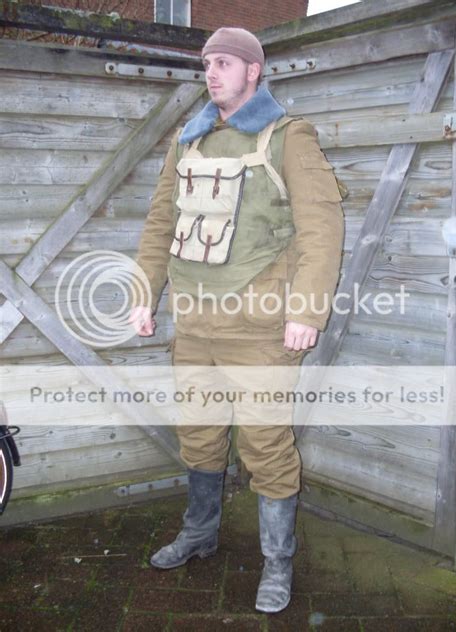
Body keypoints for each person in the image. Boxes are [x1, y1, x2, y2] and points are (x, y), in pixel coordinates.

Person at [130, 27, 344, 613]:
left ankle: (278, 563)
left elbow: (322, 232)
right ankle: (200, 533)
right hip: (195, 322)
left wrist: (307, 310)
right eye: (206, 64)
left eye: (223, 62)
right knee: (198, 435)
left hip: (261, 329)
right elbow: (159, 224)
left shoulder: (289, 137)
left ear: (254, 69)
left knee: (266, 445)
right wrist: (144, 292)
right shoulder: (188, 142)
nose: (211, 72)